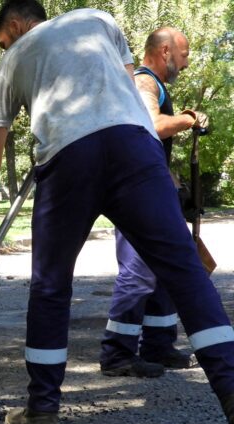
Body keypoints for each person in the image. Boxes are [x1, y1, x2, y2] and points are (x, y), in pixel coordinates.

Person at [0, 0, 234, 424]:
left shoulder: (11, 62)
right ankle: (231, 388)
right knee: (185, 272)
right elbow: (126, 91)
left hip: (67, 160)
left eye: (1, 42)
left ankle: (43, 411)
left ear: (14, 25)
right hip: (136, 149)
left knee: (51, 287)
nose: (3, 49)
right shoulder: (96, 19)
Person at [99, 27, 208, 378]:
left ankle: (159, 345)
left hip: (154, 192)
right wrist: (190, 119)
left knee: (166, 268)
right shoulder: (145, 81)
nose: (186, 63)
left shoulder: (154, 85)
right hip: (136, 196)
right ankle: (117, 355)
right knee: (138, 273)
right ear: (165, 52)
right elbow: (152, 124)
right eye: (185, 54)